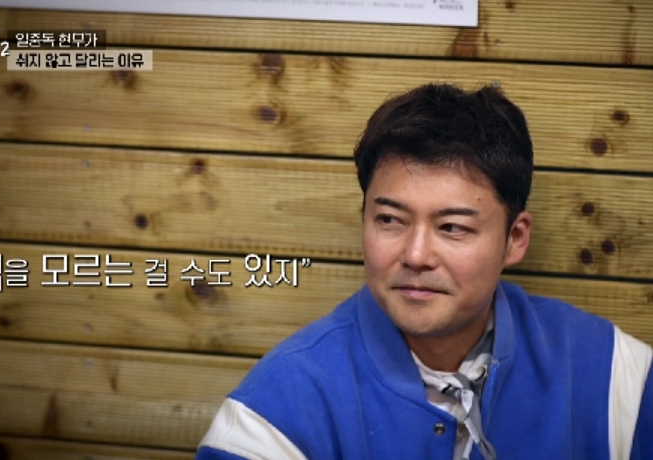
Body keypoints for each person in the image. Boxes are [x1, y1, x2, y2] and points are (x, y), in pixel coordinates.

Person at [195, 83, 652, 459]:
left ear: (514, 238)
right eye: (390, 220)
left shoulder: (616, 377)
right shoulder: (274, 414)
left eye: (452, 227)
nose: (415, 255)